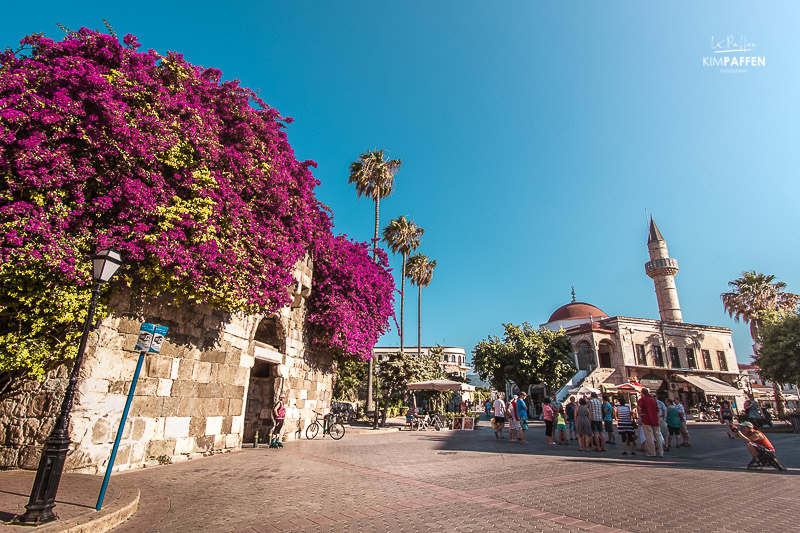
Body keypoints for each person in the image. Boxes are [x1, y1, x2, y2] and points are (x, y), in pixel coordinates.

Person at [638, 388, 664, 457]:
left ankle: (652, 452)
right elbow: (657, 411)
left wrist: (640, 414)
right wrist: (657, 419)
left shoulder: (642, 400)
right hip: (655, 420)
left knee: (649, 436)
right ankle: (661, 452)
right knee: (658, 436)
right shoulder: (653, 401)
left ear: (642, 393)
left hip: (647, 419)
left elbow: (639, 407)